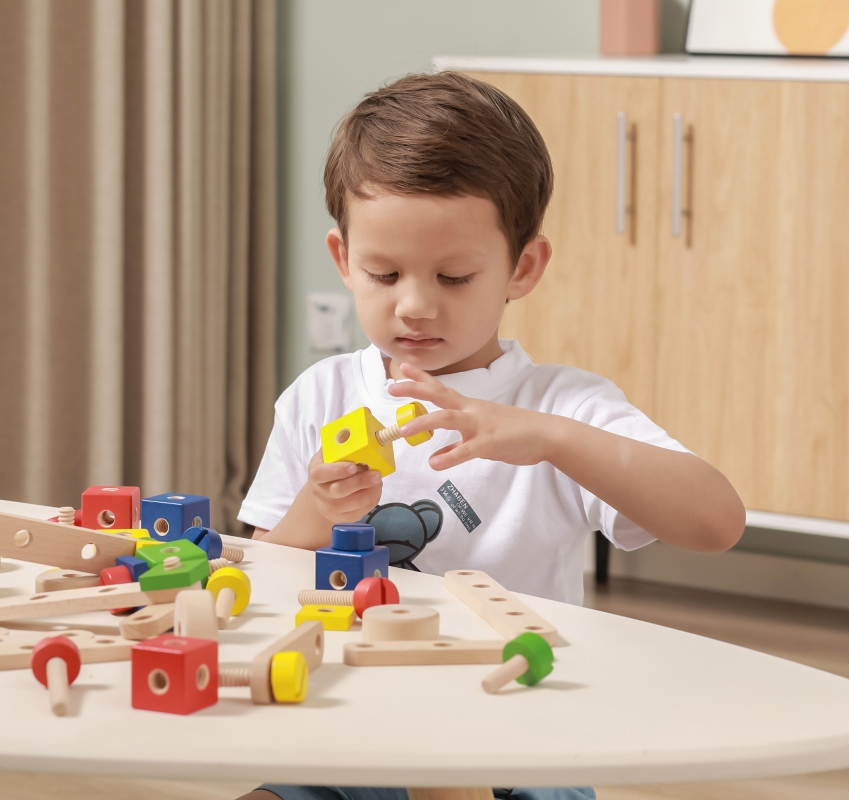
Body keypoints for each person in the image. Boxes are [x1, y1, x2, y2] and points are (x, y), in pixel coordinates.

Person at [236, 71, 746, 800]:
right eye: (384, 273)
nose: (415, 305)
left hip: (521, 744)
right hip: (351, 735)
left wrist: (552, 438)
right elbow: (260, 579)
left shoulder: (560, 406)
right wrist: (315, 513)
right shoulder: (320, 396)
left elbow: (716, 520)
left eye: (453, 276)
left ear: (522, 268)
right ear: (344, 260)